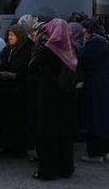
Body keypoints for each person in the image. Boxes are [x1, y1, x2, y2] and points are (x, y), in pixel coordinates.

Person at [29, 19, 78, 181]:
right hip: (67, 98)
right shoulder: (71, 49)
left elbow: (33, 67)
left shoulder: (48, 50)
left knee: (47, 135)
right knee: (64, 135)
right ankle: (66, 169)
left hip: (48, 97)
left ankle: (47, 171)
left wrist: (36, 45)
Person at [79, 18, 109, 163]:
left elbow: (82, 59)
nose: (83, 31)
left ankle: (96, 154)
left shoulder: (94, 42)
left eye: (85, 28)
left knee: (95, 119)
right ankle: (107, 150)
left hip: (96, 85)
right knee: (107, 118)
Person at [0, 23, 31, 157]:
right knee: (5, 118)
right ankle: (6, 145)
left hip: (18, 91)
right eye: (9, 35)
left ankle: (18, 148)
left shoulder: (27, 51)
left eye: (13, 35)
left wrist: (14, 75)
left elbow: (28, 72)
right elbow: (0, 63)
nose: (10, 37)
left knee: (17, 120)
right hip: (4, 89)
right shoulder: (7, 49)